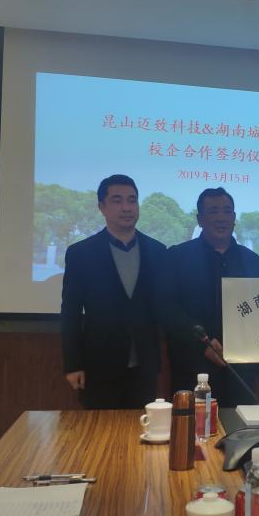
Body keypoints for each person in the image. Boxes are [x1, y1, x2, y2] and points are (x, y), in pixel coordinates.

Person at [60, 174, 167, 409]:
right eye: (117, 200)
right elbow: (70, 312)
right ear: (102, 207)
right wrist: (73, 364)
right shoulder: (81, 253)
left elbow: (164, 306)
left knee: (143, 427)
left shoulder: (158, 251)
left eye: (132, 200)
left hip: (145, 366)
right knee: (100, 429)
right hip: (98, 365)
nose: (126, 207)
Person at [159, 187, 259, 405]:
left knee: (242, 424)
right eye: (213, 211)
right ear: (200, 219)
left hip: (241, 370)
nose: (221, 218)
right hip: (193, 366)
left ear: (234, 218)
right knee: (195, 424)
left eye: (227, 211)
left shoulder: (254, 262)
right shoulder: (177, 257)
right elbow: (167, 309)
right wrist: (203, 344)